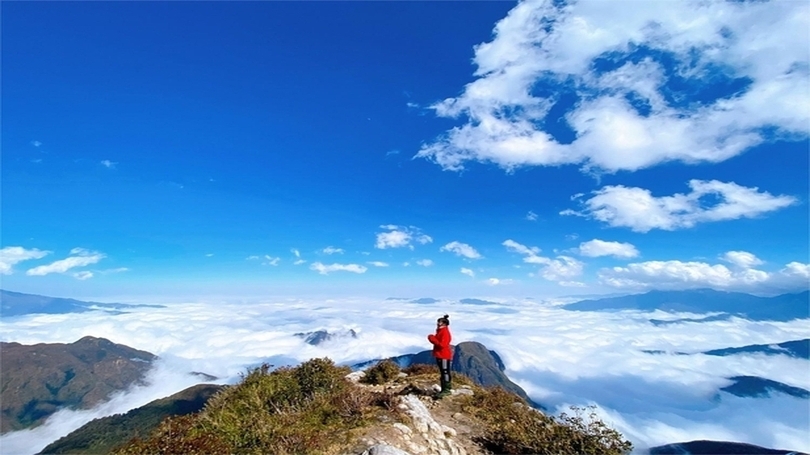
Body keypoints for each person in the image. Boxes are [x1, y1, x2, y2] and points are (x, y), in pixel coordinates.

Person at [427, 314, 452, 398]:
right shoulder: (440, 331)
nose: (437, 324)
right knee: (443, 371)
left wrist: (432, 338)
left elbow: (442, 344)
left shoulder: (444, 332)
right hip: (440, 355)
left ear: (444, 324)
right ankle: (444, 389)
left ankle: (446, 390)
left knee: (445, 371)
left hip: (443, 355)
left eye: (439, 323)